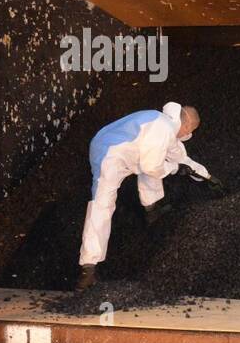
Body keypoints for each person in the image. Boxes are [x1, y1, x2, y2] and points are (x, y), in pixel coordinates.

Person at [76, 102, 210, 290]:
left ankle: (152, 209)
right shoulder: (162, 128)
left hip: (126, 152)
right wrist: (174, 169)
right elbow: (152, 167)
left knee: (153, 163)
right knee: (103, 203)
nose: (188, 136)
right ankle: (88, 269)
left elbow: (180, 158)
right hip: (109, 153)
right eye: (190, 131)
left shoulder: (166, 128)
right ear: (187, 126)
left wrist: (206, 177)